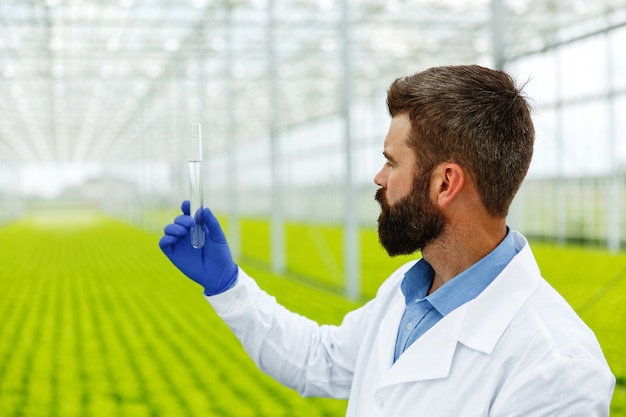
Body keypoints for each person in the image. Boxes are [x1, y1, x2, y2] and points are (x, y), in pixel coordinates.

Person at [159, 65, 615, 416]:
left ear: (444, 184)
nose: (379, 178)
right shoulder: (407, 291)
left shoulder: (556, 369)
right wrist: (228, 286)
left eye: (392, 163)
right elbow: (320, 360)